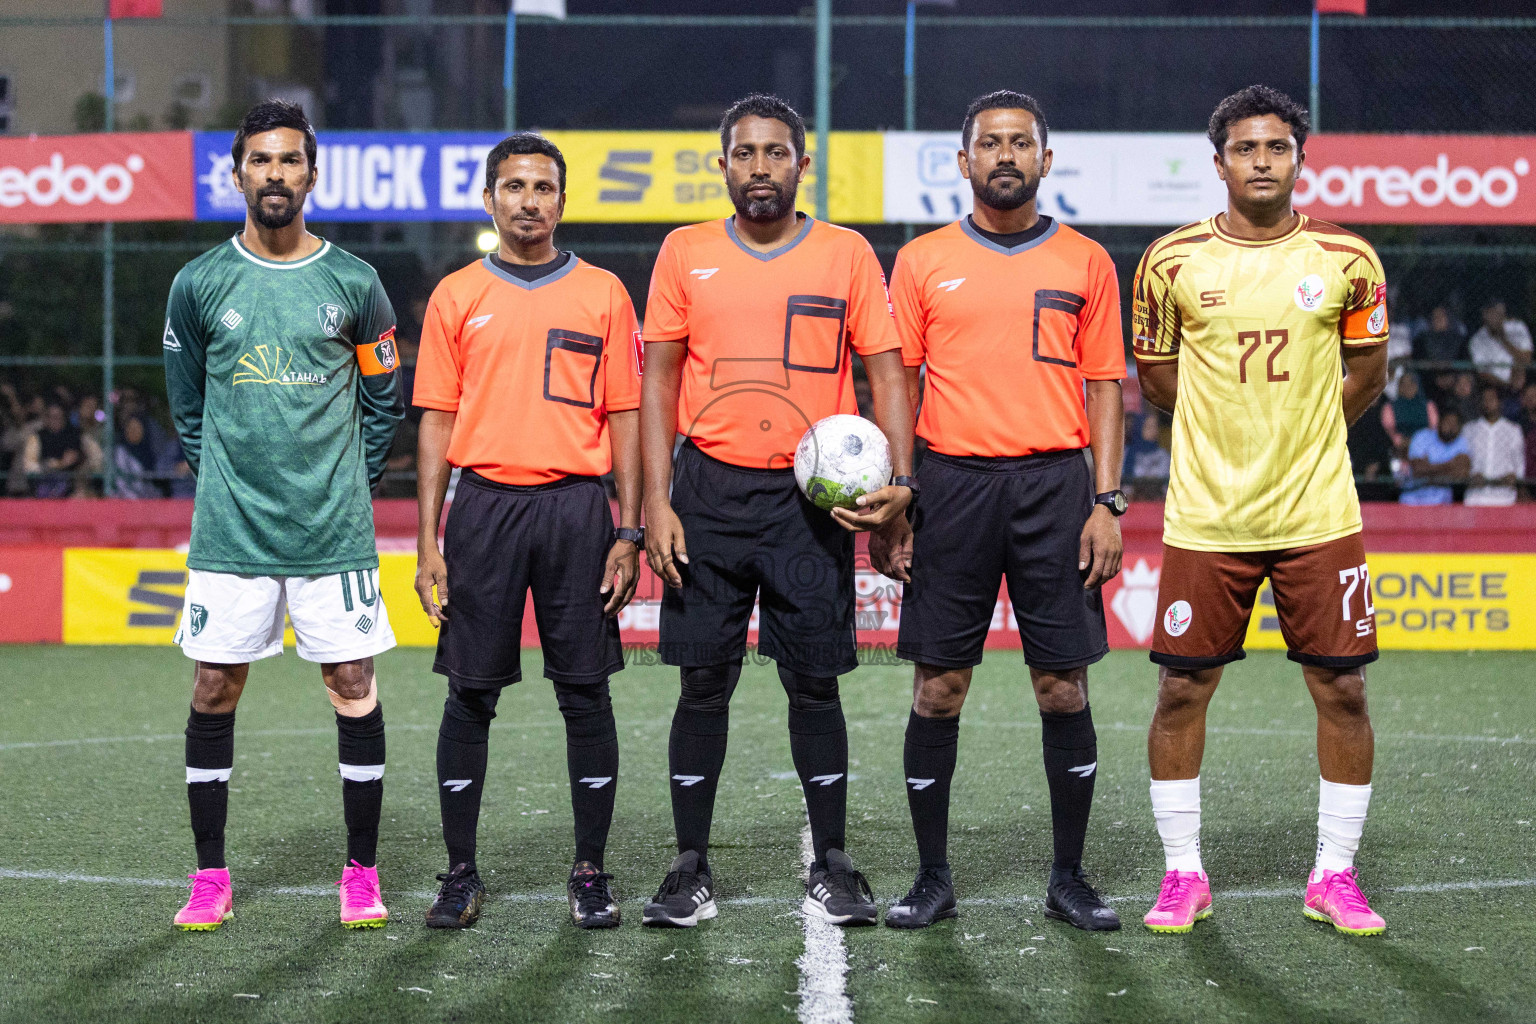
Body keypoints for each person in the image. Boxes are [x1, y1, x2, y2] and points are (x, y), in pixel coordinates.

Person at [639, 93, 914, 928]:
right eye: (745, 154)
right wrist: (656, 498)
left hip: (810, 508)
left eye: (775, 153)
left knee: (815, 682)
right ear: (722, 165)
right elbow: (654, 381)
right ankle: (689, 866)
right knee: (702, 683)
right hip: (709, 493)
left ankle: (832, 861)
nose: (760, 167)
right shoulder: (685, 252)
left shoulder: (846, 254)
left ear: (803, 164)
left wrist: (900, 486)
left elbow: (889, 373)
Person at [1131, 85, 1390, 937]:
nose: (1262, 162)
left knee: (1343, 691)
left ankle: (1335, 875)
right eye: (1246, 149)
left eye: (1278, 148)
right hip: (1207, 517)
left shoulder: (1350, 258)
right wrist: (1225, 438)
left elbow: (1368, 373)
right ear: (1220, 163)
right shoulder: (1170, 264)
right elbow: (1159, 380)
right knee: (1180, 691)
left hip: (1320, 512)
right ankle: (1181, 875)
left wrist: (1307, 435)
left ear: (1299, 158)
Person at [873, 90, 1125, 932]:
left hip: (1056, 488)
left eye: (1022, 142)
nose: (1006, 155)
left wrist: (1106, 500)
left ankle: (1069, 877)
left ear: (1046, 161)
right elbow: (898, 388)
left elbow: (1105, 389)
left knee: (1062, 685)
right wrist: (899, 497)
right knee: (939, 687)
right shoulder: (919, 261)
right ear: (964, 161)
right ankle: (933, 876)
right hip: (949, 488)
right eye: (990, 143)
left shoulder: (1086, 260)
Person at [162, 100, 405, 932]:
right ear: (237, 173)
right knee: (213, 686)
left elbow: (384, 398)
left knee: (353, 685)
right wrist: (221, 479)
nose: (274, 175)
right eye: (260, 161)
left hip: (332, 534)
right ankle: (209, 877)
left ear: (311, 173)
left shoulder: (355, 283)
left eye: (289, 161)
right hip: (231, 536)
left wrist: (350, 483)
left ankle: (363, 872)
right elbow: (186, 406)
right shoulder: (198, 283)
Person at [413, 133, 643, 931]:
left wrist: (632, 529)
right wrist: (428, 539)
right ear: (490, 200)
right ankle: (460, 873)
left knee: (585, 692)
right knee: (470, 692)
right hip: (483, 509)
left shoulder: (606, 294)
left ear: (562, 202)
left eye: (543, 187)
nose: (529, 200)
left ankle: (589, 872)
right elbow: (437, 423)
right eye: (514, 186)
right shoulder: (454, 297)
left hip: (579, 510)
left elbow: (624, 418)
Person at [1462, 386, 1524, 507]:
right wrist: (1470, 475)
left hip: (1505, 497)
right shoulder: (1469, 429)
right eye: (1484, 399)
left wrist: (1514, 478)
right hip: (1475, 497)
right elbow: (1462, 461)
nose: (1487, 403)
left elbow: (1520, 463)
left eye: (1491, 399)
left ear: (1500, 402)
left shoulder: (1513, 430)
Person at [1400, 410, 1469, 506]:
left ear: (1460, 428)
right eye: (1447, 422)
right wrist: (1450, 465)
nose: (1450, 427)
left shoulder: (1461, 442)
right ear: (1439, 421)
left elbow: (1461, 473)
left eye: (1454, 424)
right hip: (1413, 500)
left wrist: (1429, 468)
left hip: (1443, 504)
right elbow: (1418, 470)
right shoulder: (1422, 436)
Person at [1468, 299, 1532, 390]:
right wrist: (1508, 385)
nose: (1494, 316)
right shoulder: (1477, 340)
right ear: (1484, 315)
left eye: (1498, 312)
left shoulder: (1517, 327)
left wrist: (1503, 340)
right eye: (1490, 312)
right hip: (1496, 387)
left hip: (1522, 381)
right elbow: (1482, 373)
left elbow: (1526, 359)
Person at [1382, 369, 1434, 455]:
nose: (1407, 387)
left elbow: (1433, 429)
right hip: (1400, 450)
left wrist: (1417, 442)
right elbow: (1388, 430)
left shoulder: (1428, 405)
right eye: (1403, 384)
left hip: (1426, 449)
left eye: (1411, 383)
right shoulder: (1389, 407)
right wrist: (1400, 441)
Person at [1124, 412, 1171, 499]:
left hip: (1157, 504)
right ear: (1139, 427)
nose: (1153, 430)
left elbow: (1166, 486)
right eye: (1149, 427)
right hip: (1132, 505)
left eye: (1155, 426)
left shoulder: (1163, 455)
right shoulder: (1127, 453)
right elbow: (1124, 485)